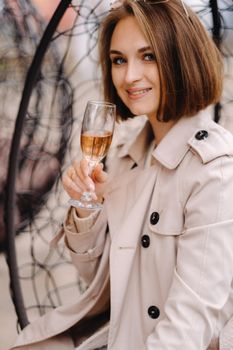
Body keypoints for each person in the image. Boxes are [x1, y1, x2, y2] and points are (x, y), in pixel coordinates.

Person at [10, 1, 233, 349]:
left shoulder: (215, 169)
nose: (129, 76)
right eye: (118, 60)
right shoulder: (127, 153)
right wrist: (88, 210)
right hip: (120, 330)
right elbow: (103, 284)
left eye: (148, 56)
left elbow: (192, 322)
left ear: (181, 58)